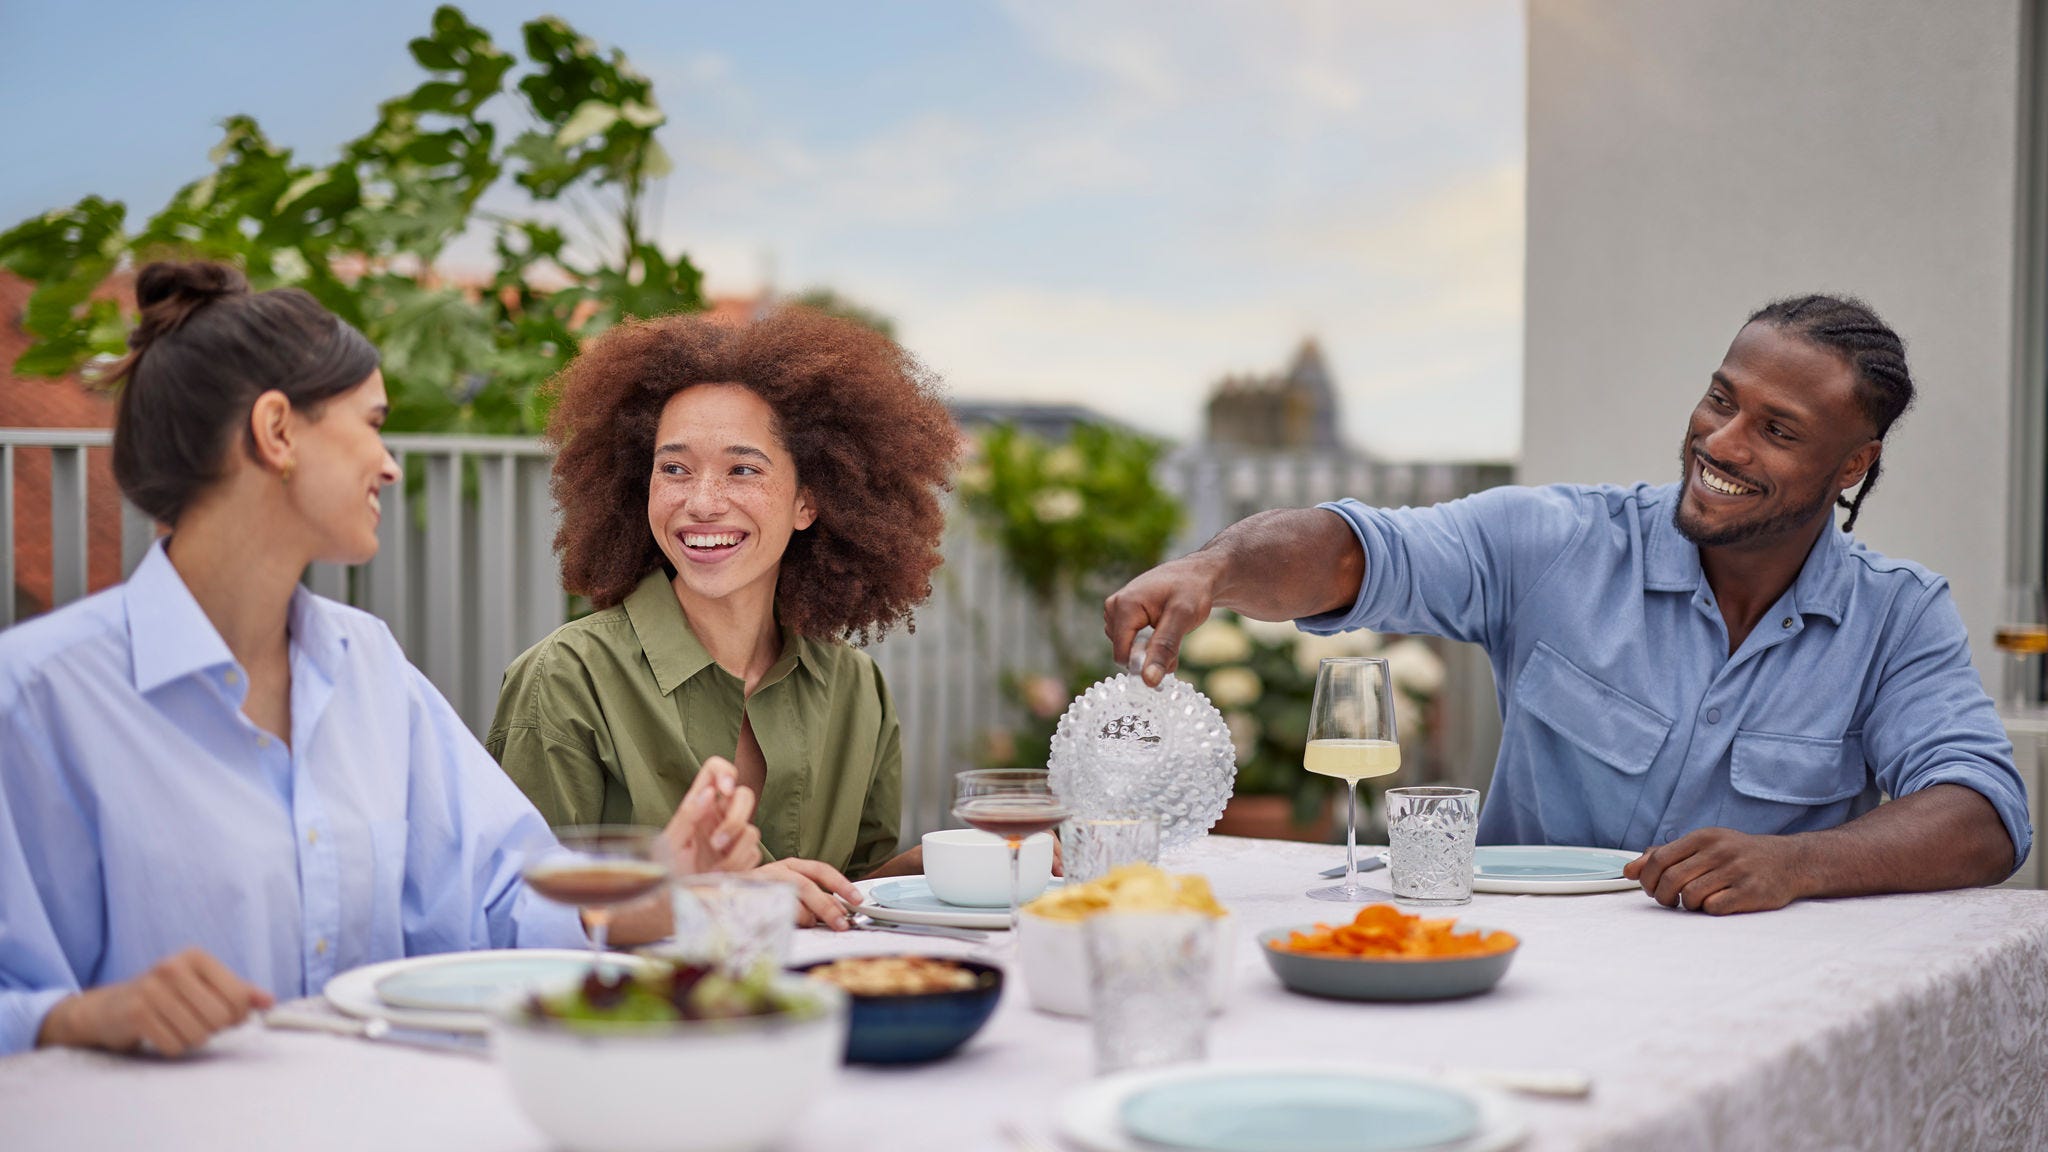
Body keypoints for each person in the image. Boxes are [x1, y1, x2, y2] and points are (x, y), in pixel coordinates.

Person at [0, 262, 757, 1059]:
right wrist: (74, 1018)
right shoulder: (35, 696)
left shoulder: (368, 667)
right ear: (277, 432)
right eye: (372, 422)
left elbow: (500, 905)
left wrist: (670, 878)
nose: (391, 465)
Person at [1104, 294, 2030, 915]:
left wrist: (1799, 864)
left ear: (1851, 467)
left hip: (1751, 994)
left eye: (1777, 431)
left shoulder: (1897, 618)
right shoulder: (1557, 542)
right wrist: (1216, 568)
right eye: (1721, 399)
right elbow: (1355, 551)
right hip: (1517, 972)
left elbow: (1984, 815)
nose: (1723, 441)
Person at [488, 306, 957, 929]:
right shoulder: (564, 681)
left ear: (808, 501)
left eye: (743, 470)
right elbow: (522, 922)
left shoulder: (855, 688)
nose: (702, 503)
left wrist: (928, 872)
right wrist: (731, 904)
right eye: (674, 469)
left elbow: (842, 902)